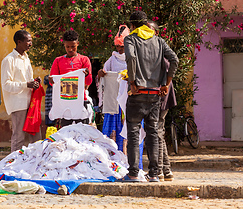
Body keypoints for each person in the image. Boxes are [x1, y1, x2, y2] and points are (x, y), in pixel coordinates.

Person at [124, 11, 179, 182]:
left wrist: (133, 82)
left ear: (132, 25)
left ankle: (133, 172)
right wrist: (166, 84)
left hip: (138, 92)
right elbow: (175, 60)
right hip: (155, 94)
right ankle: (154, 174)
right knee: (153, 133)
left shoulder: (130, 39)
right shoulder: (159, 41)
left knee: (133, 133)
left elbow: (132, 58)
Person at [1, 30, 42, 153]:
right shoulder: (9, 60)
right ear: (19, 42)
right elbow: (6, 84)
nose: (30, 43)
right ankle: (15, 163)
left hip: (31, 102)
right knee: (19, 136)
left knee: (36, 135)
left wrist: (34, 82)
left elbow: (27, 80)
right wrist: (26, 84)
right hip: (18, 103)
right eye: (28, 41)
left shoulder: (26, 59)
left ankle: (35, 160)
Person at [148, 21, 176, 181]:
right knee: (158, 132)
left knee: (156, 132)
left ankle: (159, 170)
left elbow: (173, 63)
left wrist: (165, 85)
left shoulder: (160, 50)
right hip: (158, 94)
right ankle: (166, 170)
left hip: (160, 96)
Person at [49, 29, 93, 127]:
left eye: (73, 46)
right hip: (65, 103)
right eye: (67, 46)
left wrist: (85, 75)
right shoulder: (58, 61)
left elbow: (89, 81)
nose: (70, 49)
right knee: (66, 133)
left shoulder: (84, 60)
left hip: (81, 101)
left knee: (83, 133)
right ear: (64, 44)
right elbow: (53, 82)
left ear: (77, 44)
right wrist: (52, 80)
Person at [97, 25, 130, 153]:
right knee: (111, 132)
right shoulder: (112, 59)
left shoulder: (133, 58)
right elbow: (103, 76)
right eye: (117, 46)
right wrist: (101, 74)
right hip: (113, 103)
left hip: (127, 103)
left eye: (122, 47)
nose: (120, 49)